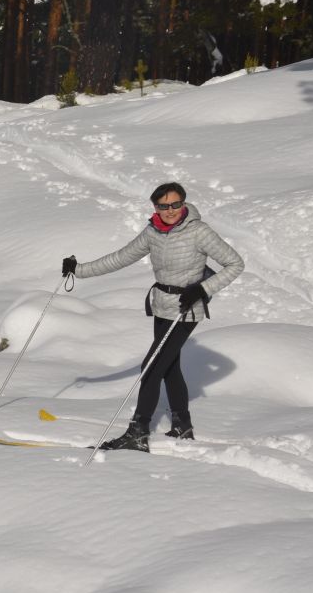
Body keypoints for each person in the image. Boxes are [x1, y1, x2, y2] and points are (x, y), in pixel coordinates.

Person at [62, 182, 245, 451]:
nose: (170, 210)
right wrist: (78, 270)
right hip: (161, 305)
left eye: (175, 204)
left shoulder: (199, 232)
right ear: (155, 206)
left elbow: (236, 263)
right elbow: (120, 258)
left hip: (186, 310)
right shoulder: (153, 232)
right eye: (163, 205)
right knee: (169, 368)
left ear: (183, 203)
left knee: (150, 368)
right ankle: (182, 427)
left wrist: (202, 289)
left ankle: (138, 433)